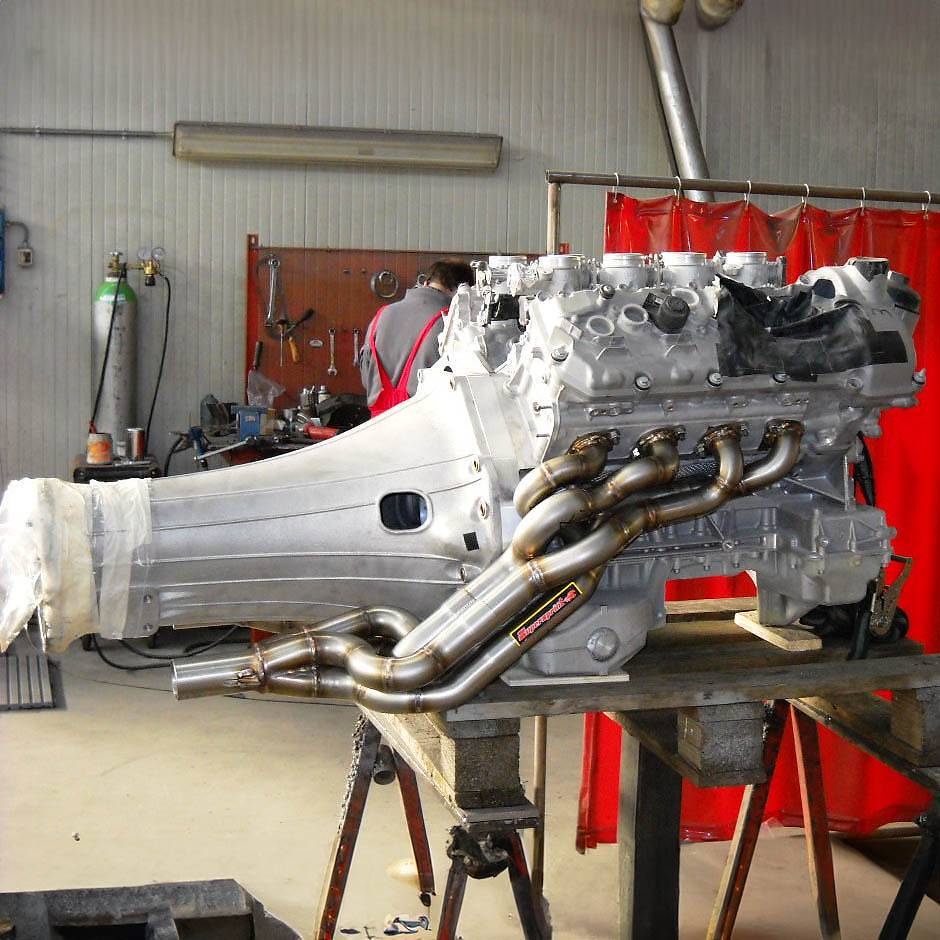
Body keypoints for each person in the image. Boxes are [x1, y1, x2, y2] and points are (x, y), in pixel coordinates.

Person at [359, 257, 474, 416]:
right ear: (462, 290)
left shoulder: (382, 315)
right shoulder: (451, 322)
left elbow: (366, 376)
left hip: (378, 424)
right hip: (425, 423)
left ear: (426, 282)